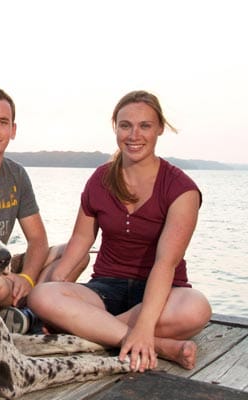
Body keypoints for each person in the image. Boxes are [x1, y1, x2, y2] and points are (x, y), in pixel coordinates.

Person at [27, 90, 212, 371]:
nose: (134, 135)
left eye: (145, 126)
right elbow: (80, 239)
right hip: (106, 289)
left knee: (197, 308)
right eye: (125, 125)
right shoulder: (99, 179)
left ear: (159, 128)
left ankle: (94, 331)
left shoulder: (181, 189)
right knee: (42, 296)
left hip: (163, 292)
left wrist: (145, 323)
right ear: (116, 127)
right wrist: (56, 288)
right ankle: (159, 345)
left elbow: (166, 263)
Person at [0, 86, 89, 334]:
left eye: (3, 122)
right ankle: (33, 312)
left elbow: (38, 239)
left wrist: (26, 278)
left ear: (13, 130)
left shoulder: (16, 174)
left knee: (75, 254)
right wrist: (7, 280)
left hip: (3, 265)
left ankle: (27, 310)